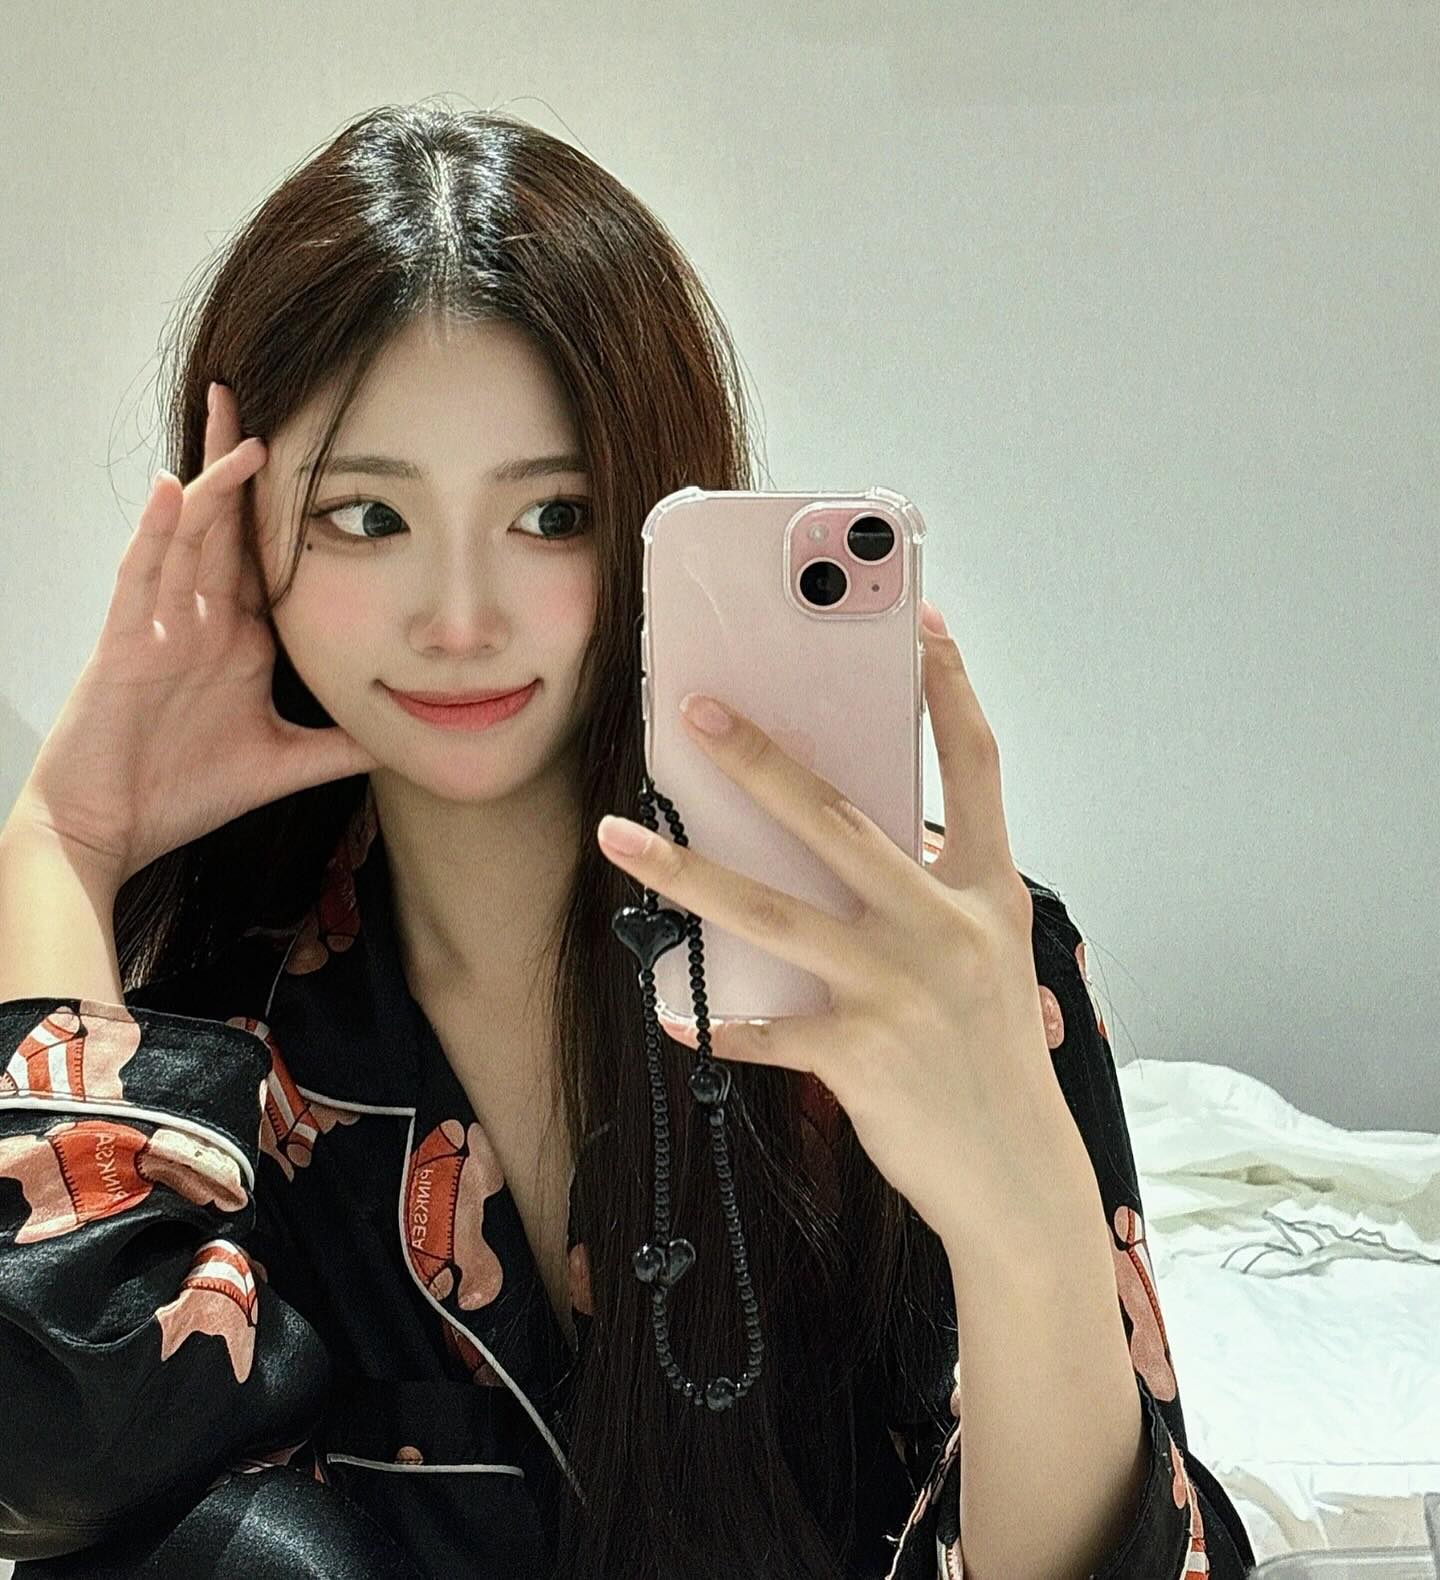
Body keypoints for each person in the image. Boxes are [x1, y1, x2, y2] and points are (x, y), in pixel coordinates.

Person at [0, 102, 1257, 1579]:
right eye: (366, 517)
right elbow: (58, 1478)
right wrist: (62, 839)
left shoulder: (928, 961)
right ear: (238, 529)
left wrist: (1023, 1226)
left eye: (554, 514)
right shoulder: (204, 1019)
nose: (460, 619)